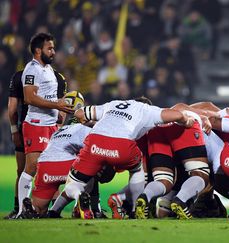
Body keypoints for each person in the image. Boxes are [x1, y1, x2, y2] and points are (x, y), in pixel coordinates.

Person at [51, 96, 195, 219]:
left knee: (75, 182)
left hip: (95, 143)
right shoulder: (146, 109)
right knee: (137, 169)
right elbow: (176, 114)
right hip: (121, 146)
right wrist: (185, 120)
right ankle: (134, 210)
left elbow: (80, 113)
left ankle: (54, 211)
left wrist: (88, 123)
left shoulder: (113, 104)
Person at [16, 32, 74, 218]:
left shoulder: (48, 69)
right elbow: (29, 98)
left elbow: (48, 97)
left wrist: (60, 110)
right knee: (31, 167)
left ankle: (42, 209)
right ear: (38, 50)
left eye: (53, 48)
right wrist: (56, 105)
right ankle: (20, 210)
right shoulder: (32, 69)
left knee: (47, 167)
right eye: (50, 48)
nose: (54, 52)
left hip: (51, 125)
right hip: (36, 124)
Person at [6, 68, 68, 219]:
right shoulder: (56, 76)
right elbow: (12, 107)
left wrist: (14, 130)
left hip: (33, 127)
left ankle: (23, 209)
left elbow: (63, 106)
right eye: (49, 48)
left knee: (24, 169)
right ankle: (27, 209)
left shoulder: (22, 75)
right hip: (33, 126)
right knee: (40, 169)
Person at [135, 110, 211, 220]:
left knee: (163, 180)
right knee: (201, 174)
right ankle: (180, 200)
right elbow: (180, 107)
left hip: (157, 128)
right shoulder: (196, 110)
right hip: (183, 124)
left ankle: (145, 196)